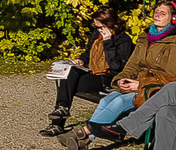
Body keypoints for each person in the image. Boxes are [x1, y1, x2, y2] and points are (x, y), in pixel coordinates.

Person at [59, 0, 176, 150]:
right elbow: (132, 65)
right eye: (156, 11)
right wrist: (121, 79)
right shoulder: (146, 38)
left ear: (174, 19)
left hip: (155, 91)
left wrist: (140, 85)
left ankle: (81, 135)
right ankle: (85, 140)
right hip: (137, 84)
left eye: (162, 13)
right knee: (106, 101)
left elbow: (172, 77)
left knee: (119, 102)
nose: (157, 15)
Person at [40, 7, 134, 136]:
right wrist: (81, 60)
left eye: (100, 27)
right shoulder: (97, 35)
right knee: (69, 73)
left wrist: (108, 42)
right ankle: (61, 110)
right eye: (96, 27)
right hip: (94, 74)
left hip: (108, 80)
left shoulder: (124, 40)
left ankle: (59, 120)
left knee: (68, 85)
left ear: (110, 25)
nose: (97, 30)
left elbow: (116, 66)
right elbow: (88, 52)